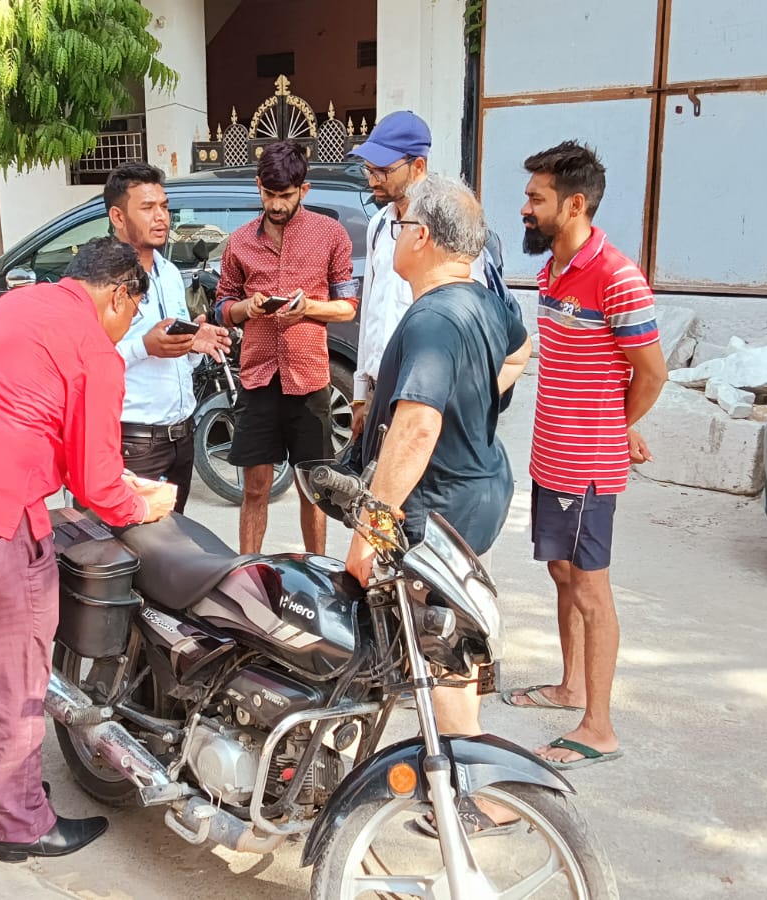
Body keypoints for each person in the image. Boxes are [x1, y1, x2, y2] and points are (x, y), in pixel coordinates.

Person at [0, 237, 177, 863]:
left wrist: (103, 481)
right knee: (19, 679)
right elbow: (99, 485)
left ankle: (2, 806)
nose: (130, 326)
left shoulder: (18, 306)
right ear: (118, 295)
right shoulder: (93, 349)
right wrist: (144, 505)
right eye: (135, 312)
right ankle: (20, 825)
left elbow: (22, 417)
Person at [342, 176, 531, 834]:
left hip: (439, 502)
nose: (396, 237)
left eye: (401, 228)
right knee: (448, 634)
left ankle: (476, 796)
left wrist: (368, 532)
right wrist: (477, 395)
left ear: (420, 236)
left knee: (434, 646)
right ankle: (463, 769)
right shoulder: (482, 301)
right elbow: (520, 349)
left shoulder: (434, 318)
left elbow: (417, 428)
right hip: (480, 486)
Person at [499, 141, 668, 771]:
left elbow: (652, 373)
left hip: (586, 462)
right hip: (552, 453)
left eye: (536, 198)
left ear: (574, 205)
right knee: (561, 572)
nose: (525, 208)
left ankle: (599, 727)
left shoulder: (616, 277)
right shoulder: (554, 269)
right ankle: (571, 686)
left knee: (591, 589)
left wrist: (617, 427)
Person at [213, 140, 358, 554]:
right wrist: (245, 308)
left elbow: (348, 307)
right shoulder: (239, 241)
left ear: (303, 190)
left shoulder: (330, 235)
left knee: (315, 490)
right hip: (258, 380)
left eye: (286, 195)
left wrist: (309, 308)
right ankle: (246, 574)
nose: (276, 205)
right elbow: (222, 306)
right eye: (269, 194)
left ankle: (318, 571)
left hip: (309, 380)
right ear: (259, 187)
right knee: (255, 488)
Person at [349, 111, 512, 436]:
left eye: (383, 171)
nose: (373, 180)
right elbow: (370, 311)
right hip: (382, 390)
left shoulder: (451, 226)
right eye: (369, 169)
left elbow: (473, 315)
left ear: (418, 166)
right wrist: (361, 393)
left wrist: (466, 400)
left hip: (432, 396)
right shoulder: (379, 225)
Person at [106, 162, 232, 512]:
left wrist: (193, 344)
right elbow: (86, 361)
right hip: (131, 440)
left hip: (180, 436)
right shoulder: (101, 279)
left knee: (174, 537)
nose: (161, 217)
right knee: (127, 539)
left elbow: (177, 358)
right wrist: (143, 347)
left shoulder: (170, 272)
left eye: (164, 206)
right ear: (118, 216)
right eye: (147, 208)